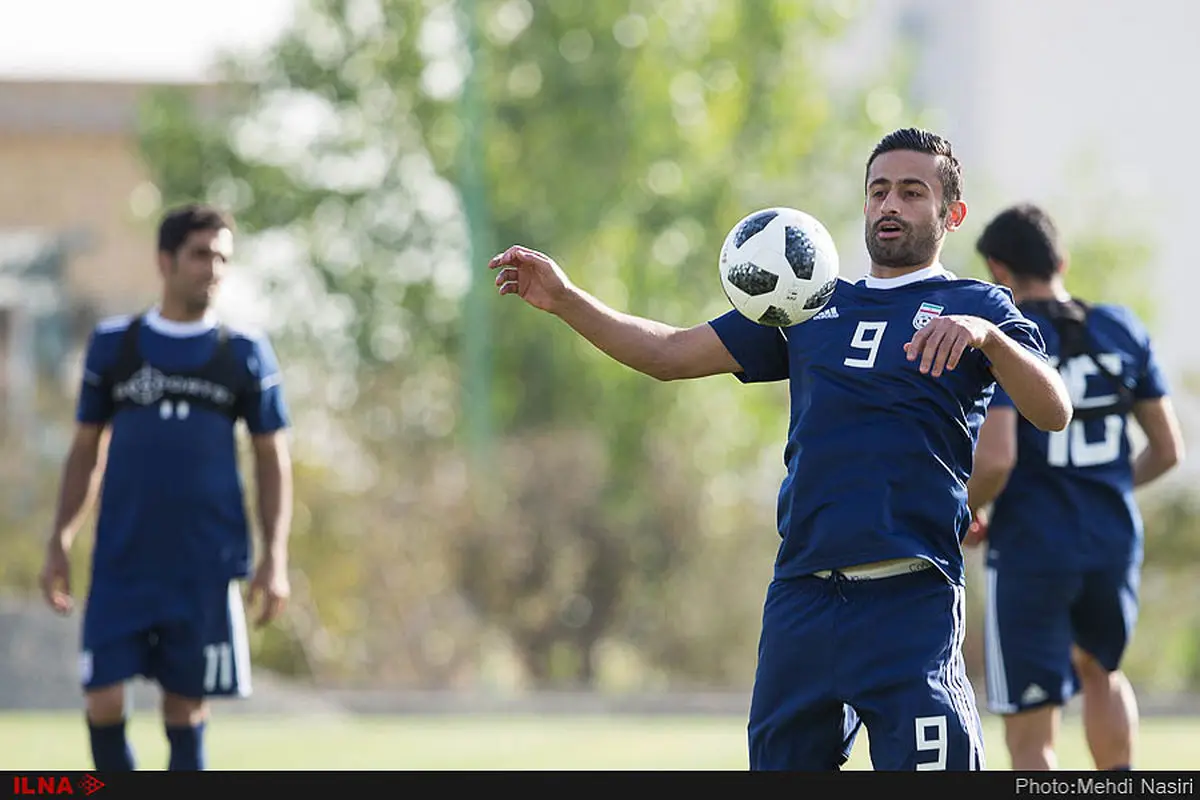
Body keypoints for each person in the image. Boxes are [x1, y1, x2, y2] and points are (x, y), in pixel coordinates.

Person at [489, 128, 1072, 770]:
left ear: (950, 213)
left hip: (912, 601)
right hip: (802, 601)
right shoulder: (809, 299)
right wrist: (568, 300)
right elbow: (668, 353)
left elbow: (1052, 409)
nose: (890, 206)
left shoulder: (977, 305)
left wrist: (989, 338)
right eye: (879, 190)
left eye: (912, 192)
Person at [38, 203, 294, 771]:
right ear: (165, 260)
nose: (213, 269)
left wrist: (273, 556)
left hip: (203, 564)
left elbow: (272, 457)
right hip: (124, 560)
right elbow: (85, 450)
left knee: (185, 709)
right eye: (201, 254)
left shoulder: (244, 353)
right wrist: (60, 538)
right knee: (103, 699)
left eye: (223, 257)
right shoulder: (115, 345)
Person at [965, 203, 1185, 771]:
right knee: (1102, 671)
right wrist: (1106, 487)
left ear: (997, 270)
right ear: (1060, 260)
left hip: (1032, 546)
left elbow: (998, 457)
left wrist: (966, 508)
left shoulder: (1012, 337)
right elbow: (1167, 450)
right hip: (1110, 540)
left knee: (1032, 728)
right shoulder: (1120, 328)